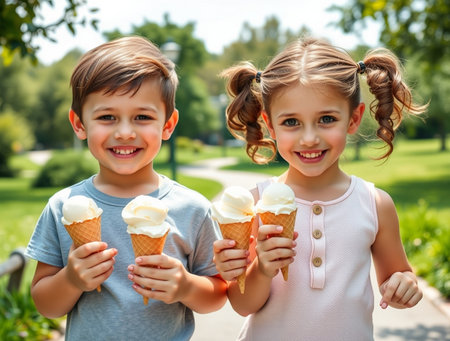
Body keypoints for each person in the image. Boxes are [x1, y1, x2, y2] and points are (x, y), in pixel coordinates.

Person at [213, 37, 425, 340]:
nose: (309, 138)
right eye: (291, 122)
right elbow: (242, 304)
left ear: (353, 119)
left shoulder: (374, 203)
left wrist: (404, 285)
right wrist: (261, 268)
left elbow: (398, 275)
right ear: (270, 126)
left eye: (326, 119)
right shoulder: (253, 205)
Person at [25, 36, 227, 340]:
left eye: (142, 117)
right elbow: (45, 304)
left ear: (168, 125)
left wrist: (185, 286)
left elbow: (217, 295)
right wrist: (71, 279)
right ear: (79, 124)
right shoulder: (63, 206)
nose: (124, 132)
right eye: (107, 117)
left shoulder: (192, 208)